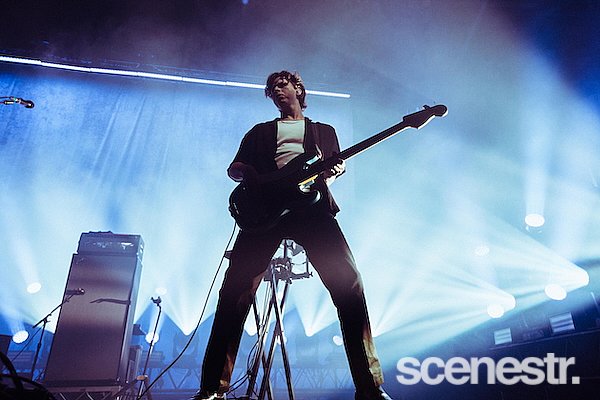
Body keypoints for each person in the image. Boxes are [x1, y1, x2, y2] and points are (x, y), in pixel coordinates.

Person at [194, 71, 392, 400]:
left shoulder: (324, 131)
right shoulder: (260, 132)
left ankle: (370, 388)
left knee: (349, 283)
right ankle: (212, 389)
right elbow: (235, 169)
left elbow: (329, 174)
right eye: (271, 89)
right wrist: (248, 174)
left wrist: (332, 174)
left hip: (311, 209)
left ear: (298, 89)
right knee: (234, 292)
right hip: (264, 213)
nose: (275, 91)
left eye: (281, 85)